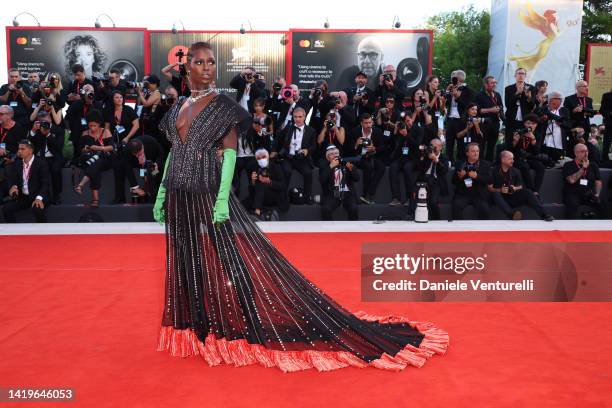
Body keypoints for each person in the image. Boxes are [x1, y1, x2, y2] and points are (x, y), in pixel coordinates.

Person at [153, 41, 448, 373]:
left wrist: (222, 199)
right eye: (200, 62)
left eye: (211, 62)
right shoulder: (178, 106)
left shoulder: (223, 105)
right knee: (187, 261)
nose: (207, 68)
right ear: (187, 66)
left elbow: (231, 153)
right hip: (179, 195)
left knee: (231, 258)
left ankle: (249, 321)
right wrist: (162, 193)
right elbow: (173, 153)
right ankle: (197, 328)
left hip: (209, 193)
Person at [489, 150, 554, 221]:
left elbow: (521, 186)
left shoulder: (515, 171)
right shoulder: (494, 171)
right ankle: (512, 214)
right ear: (503, 159)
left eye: (513, 159)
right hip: (500, 198)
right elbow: (489, 188)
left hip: (512, 196)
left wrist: (514, 188)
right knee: (495, 194)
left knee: (528, 192)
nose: (513, 161)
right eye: (510, 159)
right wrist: (500, 190)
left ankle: (544, 214)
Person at [1, 140, 50, 223]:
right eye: (19, 149)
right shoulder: (17, 164)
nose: (19, 151)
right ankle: (13, 232)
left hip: (38, 194)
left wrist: (39, 198)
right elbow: (14, 179)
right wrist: (14, 187)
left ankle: (42, 232)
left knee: (37, 208)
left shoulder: (41, 163)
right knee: (6, 208)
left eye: (22, 149)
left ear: (30, 151)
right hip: (24, 196)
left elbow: (45, 183)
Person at [73, 111, 115, 207]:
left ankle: (82, 186)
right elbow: (81, 150)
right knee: (94, 165)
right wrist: (86, 149)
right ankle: (94, 198)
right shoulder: (85, 133)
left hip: (104, 158)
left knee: (96, 164)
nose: (92, 128)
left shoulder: (106, 131)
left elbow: (112, 147)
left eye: (94, 126)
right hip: (89, 158)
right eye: (90, 125)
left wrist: (99, 148)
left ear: (99, 124)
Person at [563, 143, 608, 219]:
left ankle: (604, 228)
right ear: (576, 153)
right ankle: (570, 227)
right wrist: (583, 168)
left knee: (603, 203)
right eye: (583, 151)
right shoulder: (568, 165)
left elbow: (598, 181)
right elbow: (571, 180)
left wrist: (597, 194)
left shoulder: (593, 165)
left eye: (587, 151)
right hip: (573, 193)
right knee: (572, 204)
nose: (586, 153)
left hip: (588, 193)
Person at [27, 112, 64, 204]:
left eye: (46, 121)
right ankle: (42, 196)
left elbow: (59, 146)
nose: (44, 124)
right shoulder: (37, 129)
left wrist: (48, 134)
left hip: (54, 157)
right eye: (42, 122)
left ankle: (56, 195)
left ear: (50, 119)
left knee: (56, 170)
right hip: (40, 157)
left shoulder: (58, 130)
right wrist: (33, 131)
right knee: (37, 171)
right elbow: (29, 145)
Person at [243, 148, 289, 218]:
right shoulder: (255, 167)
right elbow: (251, 191)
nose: (261, 159)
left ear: (268, 157)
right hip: (261, 196)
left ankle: (257, 211)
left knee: (260, 184)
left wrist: (269, 181)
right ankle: (260, 210)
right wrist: (253, 181)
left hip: (275, 195)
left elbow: (283, 185)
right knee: (243, 204)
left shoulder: (276, 166)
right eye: (259, 158)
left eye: (263, 157)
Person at [451, 143, 491, 220]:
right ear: (467, 153)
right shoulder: (460, 164)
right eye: (473, 151)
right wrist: (460, 177)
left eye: (477, 151)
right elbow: (453, 181)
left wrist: (477, 176)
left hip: (479, 195)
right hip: (463, 194)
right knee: (456, 206)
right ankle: (458, 228)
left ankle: (482, 230)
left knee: (485, 209)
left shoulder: (485, 164)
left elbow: (489, 180)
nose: (476, 153)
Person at [319, 145, 359, 220]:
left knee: (354, 208)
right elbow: (322, 180)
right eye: (332, 154)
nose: (335, 156)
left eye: (336, 153)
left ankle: (353, 229)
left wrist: (351, 169)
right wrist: (330, 167)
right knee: (326, 209)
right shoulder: (325, 166)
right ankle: (328, 229)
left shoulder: (346, 164)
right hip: (333, 193)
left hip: (347, 193)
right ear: (328, 158)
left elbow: (356, 178)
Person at [415, 138, 449, 220]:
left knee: (433, 202)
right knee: (417, 198)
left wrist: (436, 160)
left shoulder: (444, 157)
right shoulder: (426, 155)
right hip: (424, 180)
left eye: (435, 146)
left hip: (436, 181)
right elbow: (418, 168)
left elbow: (444, 171)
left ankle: (437, 220)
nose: (432, 148)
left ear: (440, 147)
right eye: (431, 146)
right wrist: (423, 157)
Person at [475, 76, 504, 162]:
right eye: (492, 83)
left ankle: (489, 164)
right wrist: (491, 110)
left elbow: (500, 107)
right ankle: (479, 164)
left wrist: (500, 112)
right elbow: (477, 110)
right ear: (486, 85)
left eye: (495, 83)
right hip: (483, 124)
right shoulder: (479, 95)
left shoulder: (497, 94)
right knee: (481, 145)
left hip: (495, 124)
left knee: (492, 146)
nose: (494, 84)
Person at [504, 67, 535, 145]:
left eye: (523, 74)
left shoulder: (531, 88)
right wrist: (517, 93)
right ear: (515, 75)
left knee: (523, 143)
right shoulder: (509, 89)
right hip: (511, 120)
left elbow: (532, 106)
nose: (521, 76)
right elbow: (508, 105)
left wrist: (528, 97)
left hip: (525, 121)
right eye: (519, 73)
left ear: (525, 76)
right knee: (510, 142)